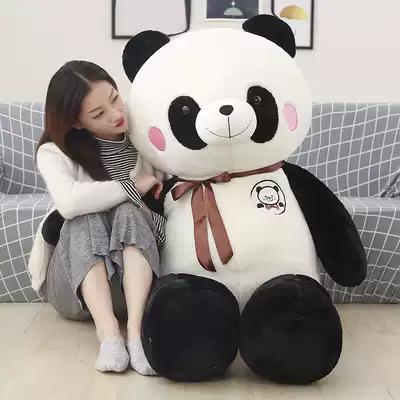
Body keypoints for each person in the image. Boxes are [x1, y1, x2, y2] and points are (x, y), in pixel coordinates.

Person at [31, 60, 165, 374]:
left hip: (139, 286)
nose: (117, 114)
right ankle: (109, 334)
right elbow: (69, 203)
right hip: (74, 292)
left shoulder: (148, 140)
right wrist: (132, 187)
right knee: (83, 216)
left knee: (129, 211)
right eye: (99, 114)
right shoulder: (53, 152)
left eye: (115, 99)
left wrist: (140, 208)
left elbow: (165, 221)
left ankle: (136, 333)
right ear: (76, 123)